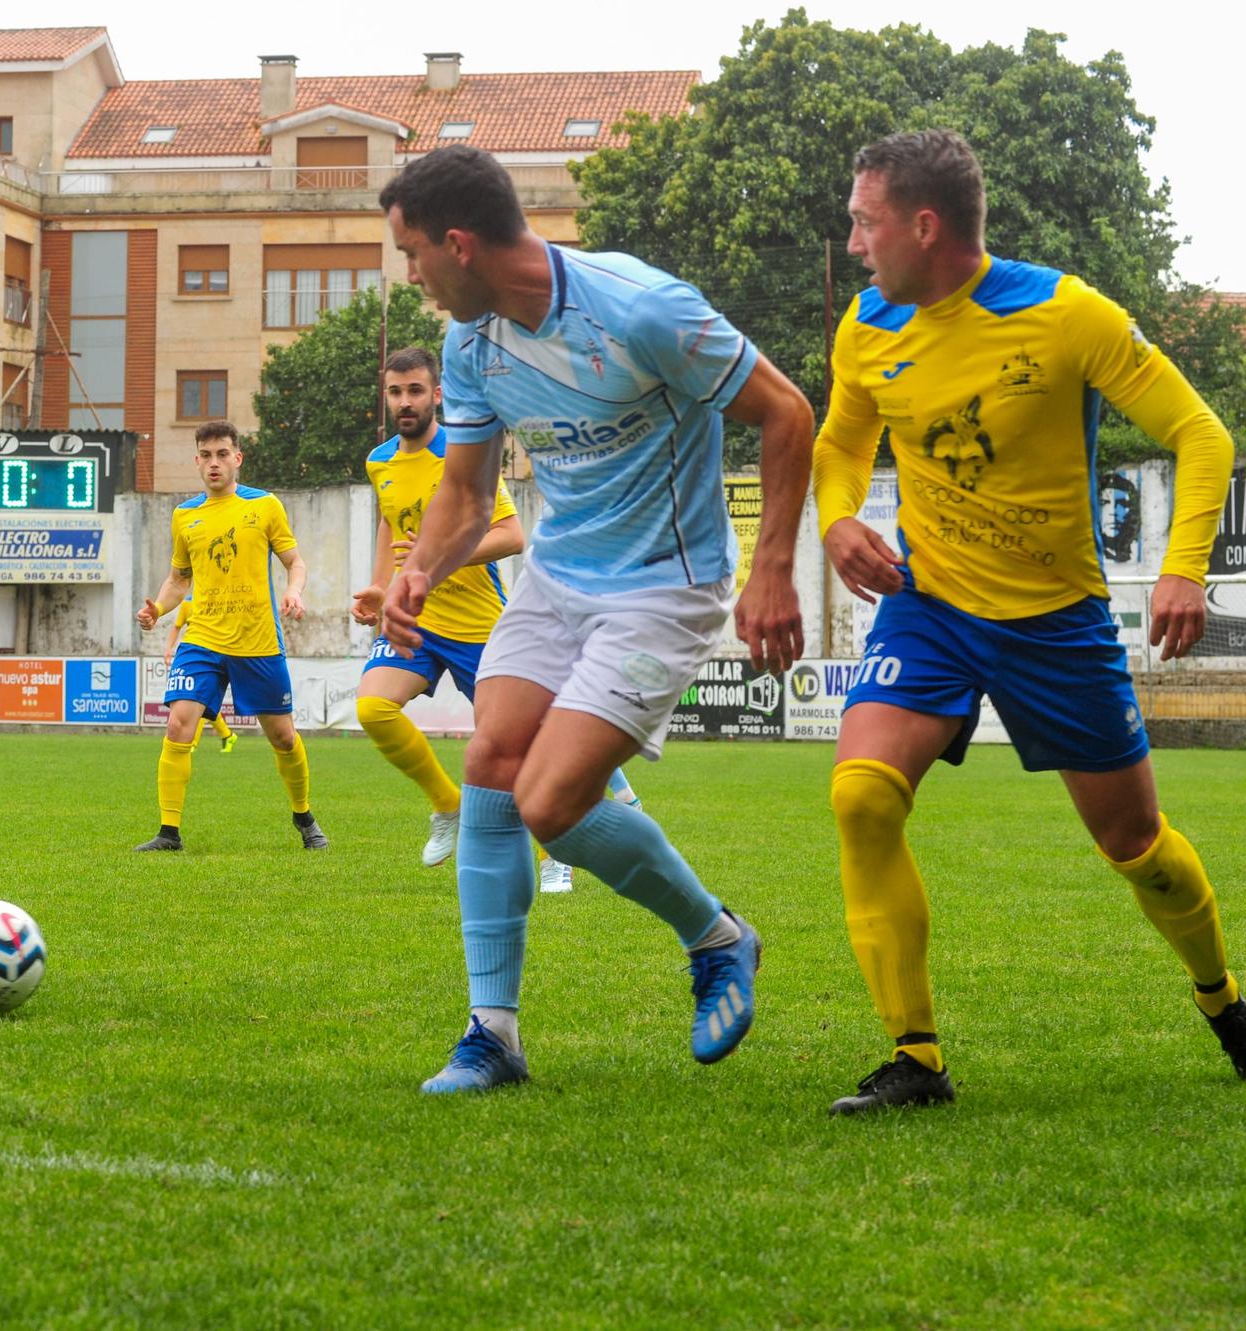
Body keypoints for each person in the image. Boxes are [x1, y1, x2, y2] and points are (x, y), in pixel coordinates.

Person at [814, 129, 1243, 1112]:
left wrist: (1181, 570)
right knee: (860, 799)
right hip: (927, 608)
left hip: (1053, 622)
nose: (851, 241)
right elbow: (841, 439)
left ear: (922, 226)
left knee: (1133, 843)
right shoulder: (866, 321)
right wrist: (836, 516)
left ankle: (1222, 999)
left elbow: (1198, 432)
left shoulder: (1063, 314)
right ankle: (914, 1059)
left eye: (862, 220)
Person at [377, 146, 815, 1092]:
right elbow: (464, 490)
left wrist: (773, 568)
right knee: (492, 762)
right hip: (556, 577)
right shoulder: (472, 341)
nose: (412, 277)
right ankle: (492, 1033)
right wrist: (416, 572)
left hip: (665, 585)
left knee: (551, 802)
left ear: (459, 243)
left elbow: (786, 411)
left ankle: (719, 937)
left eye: (413, 254)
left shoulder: (642, 309)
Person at [350, 346, 641, 893]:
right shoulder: (379, 460)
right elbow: (392, 524)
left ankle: (558, 854)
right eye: (395, 391)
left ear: (437, 394)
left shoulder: (466, 455)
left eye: (415, 390)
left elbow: (511, 536)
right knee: (371, 707)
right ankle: (447, 805)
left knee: (517, 747)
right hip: (418, 619)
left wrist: (435, 560)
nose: (405, 401)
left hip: (481, 627)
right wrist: (382, 584)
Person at [134, 421, 324, 852]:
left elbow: (296, 562)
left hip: (257, 640)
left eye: (222, 454)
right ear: (197, 461)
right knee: (180, 724)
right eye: (206, 455)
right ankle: (169, 833)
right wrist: (158, 610)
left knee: (283, 737)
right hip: (202, 639)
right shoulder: (186, 516)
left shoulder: (265, 506)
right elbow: (179, 579)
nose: (214, 463)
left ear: (238, 458)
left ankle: (304, 816)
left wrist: (294, 591)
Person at [164, 594, 236, 754]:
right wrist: (168, 648)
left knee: (201, 702)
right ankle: (225, 735)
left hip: (220, 653)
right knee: (199, 701)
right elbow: (177, 626)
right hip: (198, 656)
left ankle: (197, 741)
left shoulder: (224, 600)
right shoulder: (187, 604)